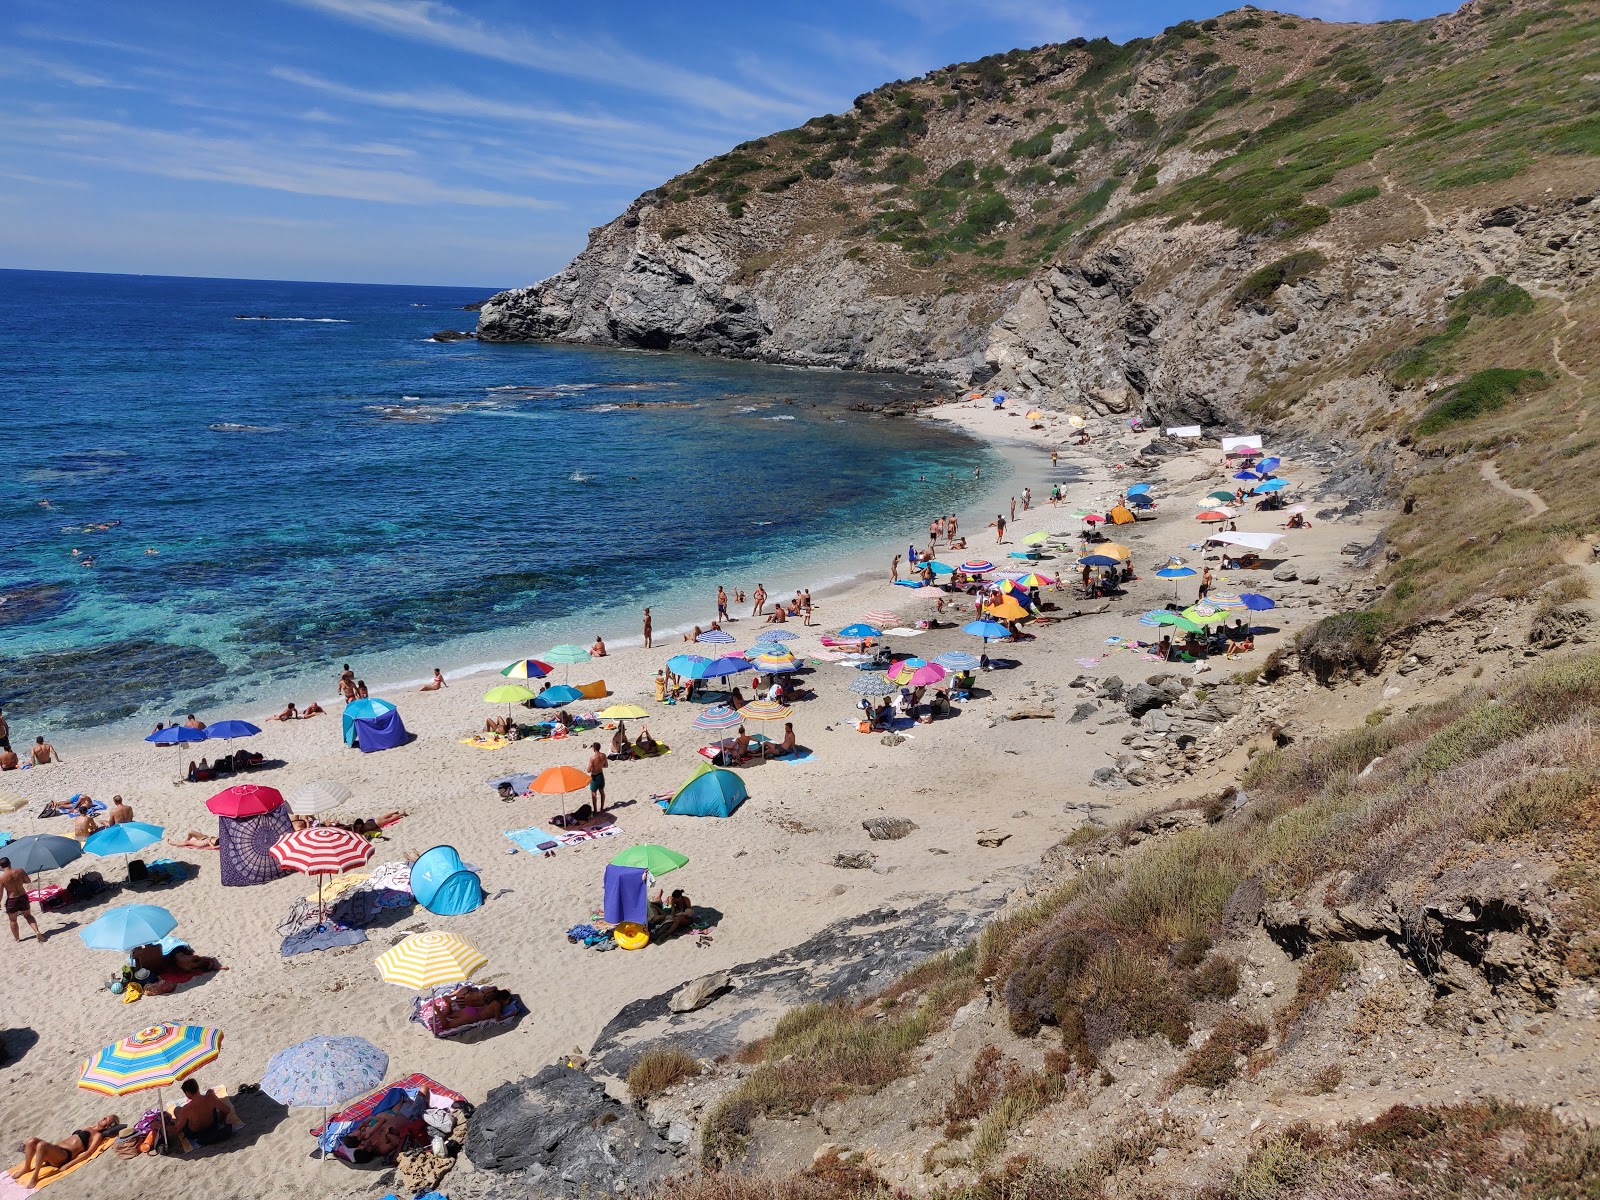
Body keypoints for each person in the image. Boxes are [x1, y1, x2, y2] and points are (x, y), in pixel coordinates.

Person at [10, 1115, 117, 1185]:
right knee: (31, 1140)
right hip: (56, 1150)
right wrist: (52, 1147)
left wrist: (68, 1164)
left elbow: (88, 1153)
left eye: (107, 1119)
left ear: (108, 1126)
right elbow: (68, 1139)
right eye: (105, 1116)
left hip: (64, 1156)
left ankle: (35, 1176)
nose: (104, 1117)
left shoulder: (97, 1136)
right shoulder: (89, 1127)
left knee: (41, 1145)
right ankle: (26, 1167)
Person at [166, 1079, 240, 1146]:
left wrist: (161, 1125)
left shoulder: (186, 1108)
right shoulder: (211, 1097)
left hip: (195, 1133)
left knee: (177, 1110)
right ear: (197, 1088)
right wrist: (221, 1118)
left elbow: (176, 1130)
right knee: (210, 1092)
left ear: (188, 1093)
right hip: (212, 1126)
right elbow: (227, 1110)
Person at [0, 858, 42, 943]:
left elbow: (0, 893)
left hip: (12, 899)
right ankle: (36, 931)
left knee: (13, 920)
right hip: (23, 896)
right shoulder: (20, 871)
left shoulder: (2, 878)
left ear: (1, 867)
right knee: (28, 916)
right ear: (10, 863)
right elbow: (28, 881)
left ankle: (17, 938)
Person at [436, 986, 512, 1031]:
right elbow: (498, 1019)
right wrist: (511, 1014)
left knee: (449, 1014)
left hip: (470, 1009)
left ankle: (448, 1002)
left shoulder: (491, 999)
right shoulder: (497, 1004)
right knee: (447, 1025)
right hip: (473, 1015)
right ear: (503, 999)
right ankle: (437, 1009)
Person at [586, 743, 607, 811]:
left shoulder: (592, 758)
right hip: (601, 775)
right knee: (602, 792)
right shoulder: (603, 755)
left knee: (594, 794)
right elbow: (606, 765)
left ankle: (595, 810)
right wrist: (600, 766)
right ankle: (602, 808)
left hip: (594, 777)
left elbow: (588, 770)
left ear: (594, 748)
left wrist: (591, 768)